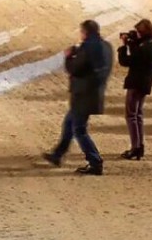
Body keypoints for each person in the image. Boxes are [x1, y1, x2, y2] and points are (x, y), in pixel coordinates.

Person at [43, 19, 113, 175]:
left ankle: (95, 162)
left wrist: (69, 57)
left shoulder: (87, 48)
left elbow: (74, 69)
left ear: (85, 32)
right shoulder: (107, 46)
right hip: (95, 92)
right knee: (69, 123)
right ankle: (57, 154)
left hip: (83, 95)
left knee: (79, 129)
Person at [117, 18, 152, 160]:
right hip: (145, 84)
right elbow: (138, 54)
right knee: (138, 115)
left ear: (142, 33)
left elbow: (125, 61)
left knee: (131, 115)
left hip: (135, 84)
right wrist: (132, 42)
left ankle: (135, 147)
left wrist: (124, 46)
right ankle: (139, 146)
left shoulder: (143, 49)